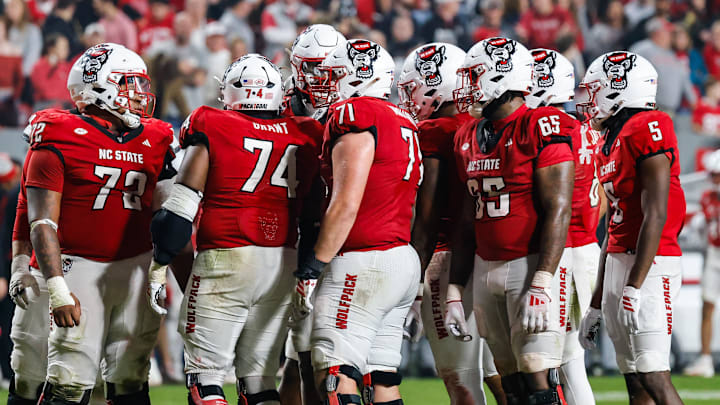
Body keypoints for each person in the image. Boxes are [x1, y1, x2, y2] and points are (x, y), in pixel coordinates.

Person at [148, 53, 324, 405]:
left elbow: (179, 215)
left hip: (226, 255)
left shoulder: (212, 123)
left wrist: (159, 263)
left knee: (206, 379)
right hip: (282, 263)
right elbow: (314, 217)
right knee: (259, 383)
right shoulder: (306, 132)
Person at [23, 42, 177, 405]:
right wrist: (57, 288)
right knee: (69, 380)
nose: (139, 94)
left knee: (131, 378)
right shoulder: (59, 132)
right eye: (129, 83)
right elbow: (40, 220)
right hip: (79, 267)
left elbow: (171, 218)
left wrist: (163, 272)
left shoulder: (157, 138)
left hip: (136, 266)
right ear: (99, 85)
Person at [449, 36, 575, 405]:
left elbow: (559, 208)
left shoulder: (541, 123)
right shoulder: (467, 134)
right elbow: (465, 217)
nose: (469, 86)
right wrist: (456, 288)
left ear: (501, 77)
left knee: (539, 378)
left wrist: (542, 280)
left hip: (529, 262)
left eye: (475, 77)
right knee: (511, 385)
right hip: (486, 265)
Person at [298, 38, 422, 405]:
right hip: (400, 256)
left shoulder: (355, 115)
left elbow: (347, 202)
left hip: (362, 259)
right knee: (379, 376)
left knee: (334, 370)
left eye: (335, 74)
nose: (328, 83)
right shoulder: (403, 119)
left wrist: (312, 267)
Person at [398, 41, 505, 405]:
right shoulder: (483, 125)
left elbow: (426, 219)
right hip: (491, 256)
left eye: (413, 87)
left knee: (461, 380)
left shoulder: (436, 131)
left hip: (445, 261)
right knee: (502, 376)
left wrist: (412, 286)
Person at [578, 51, 686, 405]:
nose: (589, 100)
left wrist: (635, 285)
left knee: (653, 372)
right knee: (634, 378)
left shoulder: (648, 125)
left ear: (620, 89)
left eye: (596, 90)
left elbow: (657, 212)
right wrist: (596, 302)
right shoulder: (611, 138)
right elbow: (613, 227)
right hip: (619, 261)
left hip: (651, 263)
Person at [526, 48, 602, 405]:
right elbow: (599, 194)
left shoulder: (554, 130)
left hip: (564, 253)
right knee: (570, 360)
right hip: (585, 246)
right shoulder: (586, 130)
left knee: (563, 360)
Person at [278, 24, 346, 405]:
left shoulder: (354, 106)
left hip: (341, 235)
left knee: (324, 352)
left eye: (329, 68)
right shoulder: (277, 103)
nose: (321, 78)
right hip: (293, 234)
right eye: (313, 68)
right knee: (299, 352)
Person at [683, 150, 720, 378]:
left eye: (718, 175)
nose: (714, 180)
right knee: (707, 305)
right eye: (713, 175)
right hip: (714, 253)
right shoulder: (708, 197)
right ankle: (705, 359)